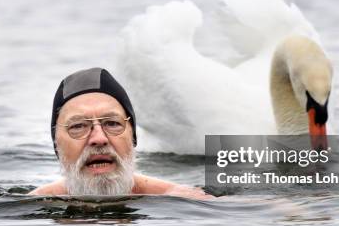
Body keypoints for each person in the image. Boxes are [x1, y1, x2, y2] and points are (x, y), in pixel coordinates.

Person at [29, 67, 212, 199]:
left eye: (112, 123)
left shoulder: (184, 202)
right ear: (56, 144)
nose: (99, 139)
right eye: (78, 126)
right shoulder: (30, 208)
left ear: (132, 137)